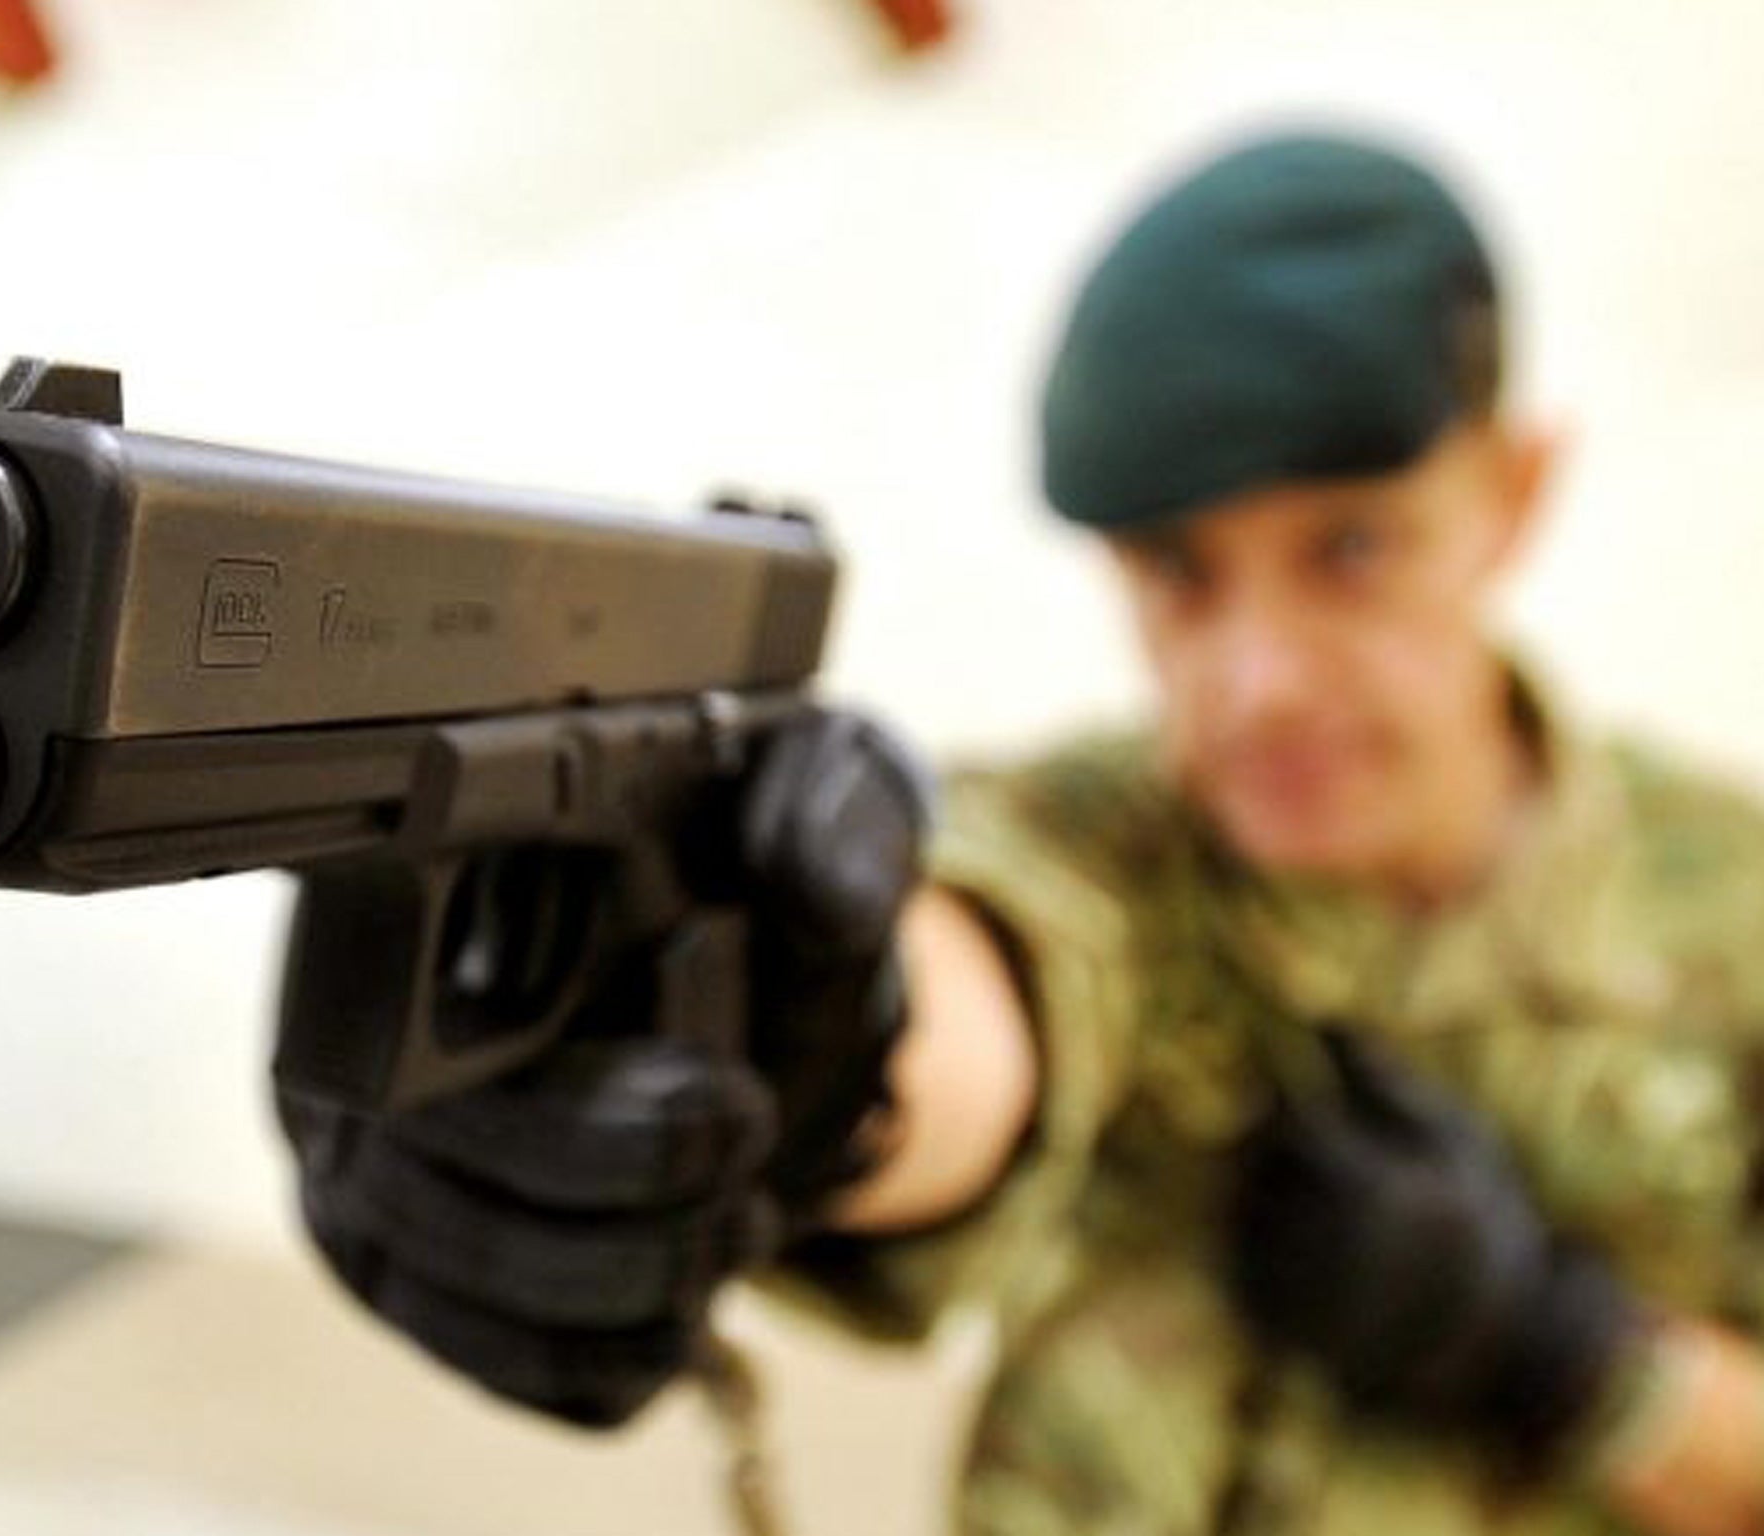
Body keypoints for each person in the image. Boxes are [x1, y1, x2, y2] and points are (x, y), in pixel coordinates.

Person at [278, 132, 1764, 1536]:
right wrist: (789, 1036)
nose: (1257, 681)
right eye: (1178, 576)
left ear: (1514, 494)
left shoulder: (1736, 900)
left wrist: (1565, 1359)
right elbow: (974, 986)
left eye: (1352, 551)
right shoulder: (1113, 843)